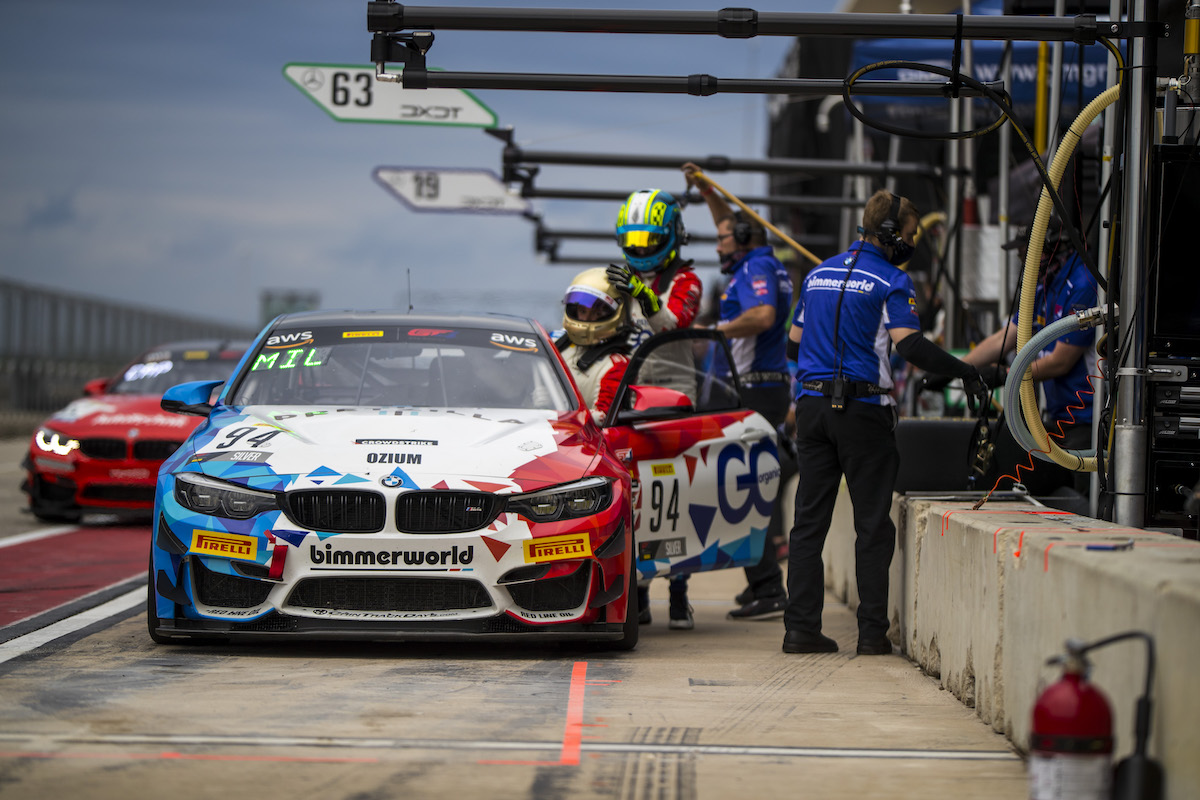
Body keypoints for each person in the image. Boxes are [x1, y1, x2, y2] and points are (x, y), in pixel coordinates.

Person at [783, 189, 987, 655]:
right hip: (863, 411)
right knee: (872, 524)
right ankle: (872, 635)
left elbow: (794, 346)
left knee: (808, 525)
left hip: (812, 409)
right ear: (893, 234)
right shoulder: (891, 279)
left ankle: (799, 631)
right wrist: (965, 370)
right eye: (911, 234)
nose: (912, 243)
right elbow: (909, 345)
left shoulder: (817, 275)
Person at [682, 162, 792, 620]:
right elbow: (730, 223)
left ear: (745, 240)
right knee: (748, 486)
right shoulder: (757, 259)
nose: (718, 245)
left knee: (751, 490)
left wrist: (717, 330)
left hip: (759, 392)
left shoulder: (755, 267)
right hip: (761, 390)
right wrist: (707, 189)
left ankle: (769, 588)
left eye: (723, 240)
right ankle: (758, 582)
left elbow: (763, 316)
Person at [923, 216, 1098, 497]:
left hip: (1086, 418)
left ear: (1054, 248)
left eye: (1026, 251)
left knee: (1083, 502)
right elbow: (1005, 336)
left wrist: (1007, 375)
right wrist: (953, 369)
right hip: (1056, 416)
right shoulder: (1044, 283)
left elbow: (1062, 361)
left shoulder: (1083, 284)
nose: (1021, 259)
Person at [606, 189, 703, 631]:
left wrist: (643, 294)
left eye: (650, 242)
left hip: (677, 400)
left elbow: (673, 323)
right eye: (634, 242)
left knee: (677, 497)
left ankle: (679, 594)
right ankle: (640, 594)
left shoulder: (688, 281)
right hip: (632, 397)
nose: (641, 251)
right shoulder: (619, 280)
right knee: (637, 498)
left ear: (671, 238)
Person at [557, 267, 632, 424]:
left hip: (584, 443)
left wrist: (555, 419)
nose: (586, 318)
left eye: (597, 312)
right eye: (582, 310)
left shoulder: (617, 364)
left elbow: (603, 416)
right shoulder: (554, 345)